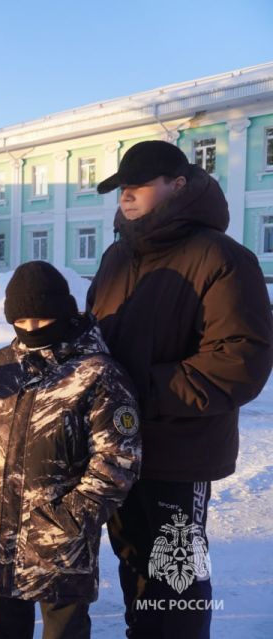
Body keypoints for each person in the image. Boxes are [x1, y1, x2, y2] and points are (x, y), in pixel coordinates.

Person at [87, 140, 273, 637]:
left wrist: (134, 388)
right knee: (135, 570)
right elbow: (95, 334)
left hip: (180, 449)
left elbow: (240, 360)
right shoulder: (116, 257)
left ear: (178, 183)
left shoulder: (222, 258)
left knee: (176, 576)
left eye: (138, 185)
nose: (126, 196)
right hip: (119, 447)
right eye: (121, 188)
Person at [0, 261, 141, 639]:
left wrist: (70, 520)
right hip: (0, 535)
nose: (30, 331)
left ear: (62, 312)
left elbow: (117, 461)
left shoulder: (96, 373)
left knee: (63, 632)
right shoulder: (2, 364)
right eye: (20, 323)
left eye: (41, 321)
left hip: (61, 543)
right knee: (4, 629)